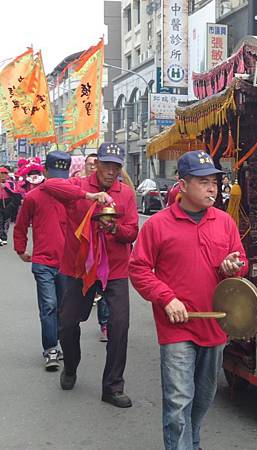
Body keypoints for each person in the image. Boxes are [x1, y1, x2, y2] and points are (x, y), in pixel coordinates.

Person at [129, 150, 248, 450]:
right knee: (179, 400)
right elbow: (139, 268)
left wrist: (231, 267)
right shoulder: (158, 225)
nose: (212, 189)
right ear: (182, 185)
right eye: (203, 182)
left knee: (203, 397)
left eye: (215, 182)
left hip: (214, 324)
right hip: (176, 326)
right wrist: (166, 298)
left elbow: (241, 262)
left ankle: (192, 443)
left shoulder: (225, 222)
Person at [40, 143, 139, 408]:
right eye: (106, 165)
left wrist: (114, 229)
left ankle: (113, 386)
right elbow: (48, 186)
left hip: (115, 269)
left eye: (116, 166)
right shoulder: (77, 185)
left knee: (119, 327)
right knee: (67, 323)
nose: (111, 171)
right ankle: (71, 366)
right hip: (79, 267)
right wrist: (89, 197)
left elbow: (132, 232)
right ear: (96, 165)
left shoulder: (126, 194)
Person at [13, 151, 71, 371]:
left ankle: (59, 341)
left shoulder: (72, 195)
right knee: (49, 306)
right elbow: (20, 226)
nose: (57, 179)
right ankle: (51, 349)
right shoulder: (33, 197)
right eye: (53, 174)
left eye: (61, 175)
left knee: (62, 308)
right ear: (44, 171)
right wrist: (20, 249)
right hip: (43, 262)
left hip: (67, 263)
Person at [81, 152, 109, 342]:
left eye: (96, 163)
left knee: (105, 288)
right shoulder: (80, 186)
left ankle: (105, 323)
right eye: (91, 163)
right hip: (84, 252)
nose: (93, 166)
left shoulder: (120, 189)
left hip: (109, 254)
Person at [0, 167, 20, 246]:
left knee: (6, 221)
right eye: (2, 173)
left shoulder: (10, 183)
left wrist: (5, 187)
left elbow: (14, 193)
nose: (3, 175)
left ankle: (4, 237)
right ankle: (1, 237)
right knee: (0, 221)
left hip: (8, 203)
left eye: (5, 174)